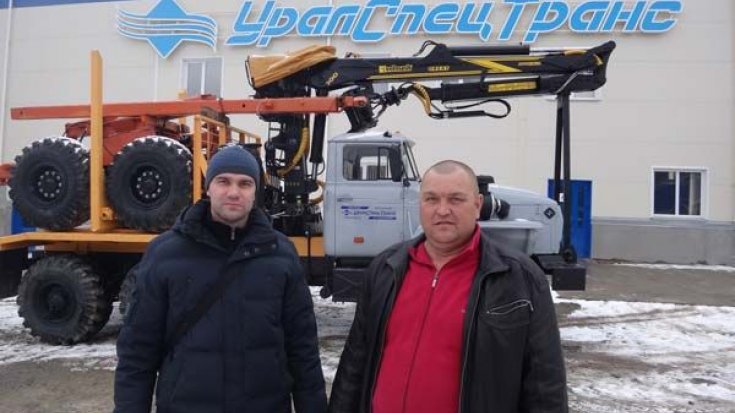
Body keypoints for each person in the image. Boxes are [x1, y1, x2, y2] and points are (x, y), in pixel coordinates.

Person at [328, 160, 567, 413]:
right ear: (420, 204)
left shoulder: (519, 278)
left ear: (477, 205)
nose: (442, 210)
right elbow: (354, 364)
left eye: (456, 199)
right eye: (432, 199)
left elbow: (544, 386)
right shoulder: (385, 269)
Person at [114, 145, 327, 413]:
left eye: (245, 183)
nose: (234, 192)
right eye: (223, 181)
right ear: (208, 188)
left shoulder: (280, 253)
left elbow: (303, 350)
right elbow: (137, 353)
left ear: (256, 192)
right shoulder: (165, 254)